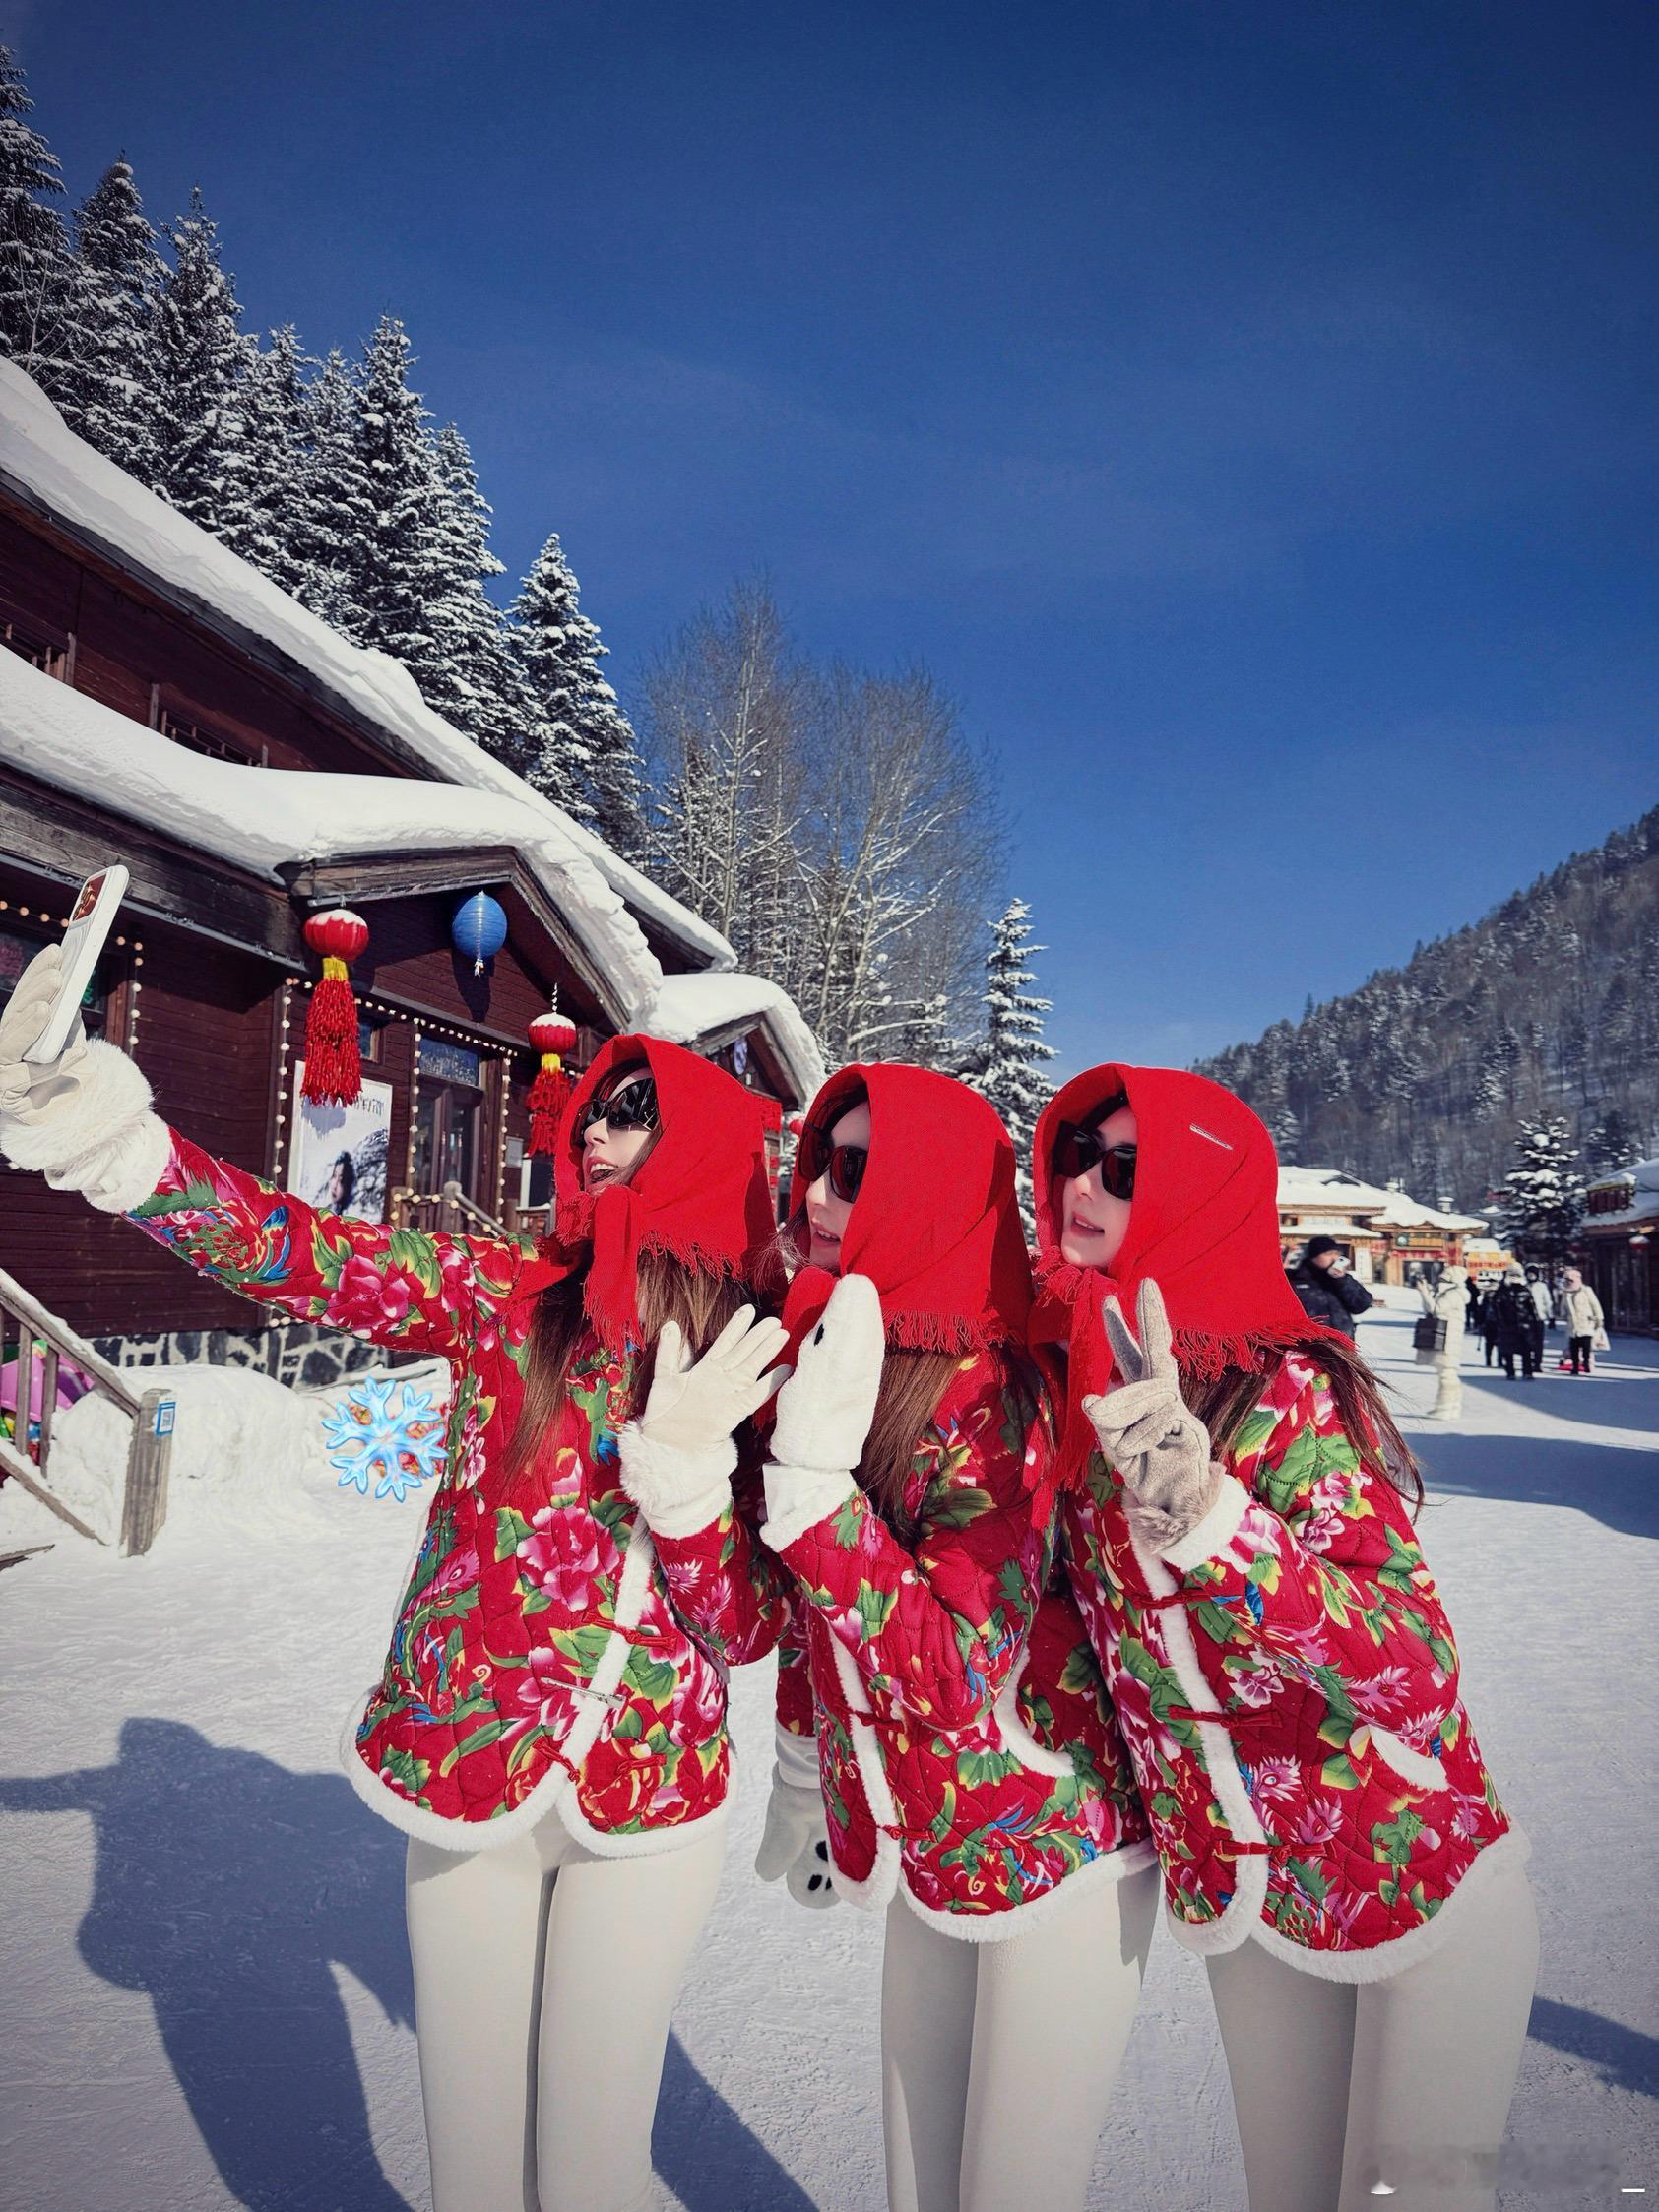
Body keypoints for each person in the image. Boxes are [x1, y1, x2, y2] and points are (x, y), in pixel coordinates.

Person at [0, 946, 795, 2212]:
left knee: (591, 2168)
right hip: (465, 1767)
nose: (593, 1131)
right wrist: (115, 1145)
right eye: (593, 1108)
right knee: (473, 2162)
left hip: (649, 1798)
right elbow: (303, 1252)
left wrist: (696, 1486)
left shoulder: (768, 1359)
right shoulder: (507, 1297)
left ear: (700, 1141)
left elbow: (747, 1630)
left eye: (634, 1111)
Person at [1029, 1065, 1537, 2212]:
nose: (1081, 1184)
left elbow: (1412, 1672)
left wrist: (1211, 1517)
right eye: (1072, 1154)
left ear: (1199, 1195)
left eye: (1124, 1166)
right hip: (1252, 1900)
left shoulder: (1286, 1390)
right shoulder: (1089, 1395)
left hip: (1418, 1882)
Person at [670, 1064, 1159, 2212]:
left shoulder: (997, 1393)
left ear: (925, 1190)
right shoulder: (836, 1359)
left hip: (1051, 1842)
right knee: (916, 2184)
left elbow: (950, 1672)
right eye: (815, 1163)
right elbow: (768, 1623)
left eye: (850, 1171)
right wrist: (687, 1481)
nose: (812, 1196)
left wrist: (815, 1499)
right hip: (923, 1841)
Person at [1286, 1232, 1374, 1338]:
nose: (1334, 1258)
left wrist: (1342, 1280)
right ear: (1313, 1256)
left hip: (1342, 1343)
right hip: (1308, 1342)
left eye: (1337, 1254)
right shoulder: (1295, 1279)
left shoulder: (1342, 1279)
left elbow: (1361, 1305)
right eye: (1328, 1254)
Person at [1417, 1262, 1470, 1420]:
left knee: (1447, 1374)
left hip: (1448, 1339)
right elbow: (1430, 1308)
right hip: (1446, 1337)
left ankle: (1446, 1408)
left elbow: (1436, 1309)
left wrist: (1423, 1292)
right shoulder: (1449, 1292)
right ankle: (1450, 1406)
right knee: (1446, 1373)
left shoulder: (1454, 1294)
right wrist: (1426, 1292)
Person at [1488, 1265, 1539, 1381]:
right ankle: (1526, 1372)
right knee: (1525, 1350)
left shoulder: (1502, 1291)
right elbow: (1532, 1309)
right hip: (1523, 1324)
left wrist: (1500, 1322)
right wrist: (1534, 1323)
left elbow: (1496, 1308)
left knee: (1510, 1350)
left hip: (1509, 1325)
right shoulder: (1525, 1290)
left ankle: (1512, 1372)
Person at [1561, 1266, 1606, 1374]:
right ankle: (1575, 1366)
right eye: (1567, 1280)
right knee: (1574, 1347)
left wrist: (1599, 1318)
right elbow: (1563, 1306)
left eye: (1571, 1280)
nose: (1569, 1282)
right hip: (1573, 1325)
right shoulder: (1566, 1292)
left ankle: (1586, 1364)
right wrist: (1563, 1314)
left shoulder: (1586, 1290)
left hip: (1586, 1323)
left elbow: (1595, 1305)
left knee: (1586, 1347)